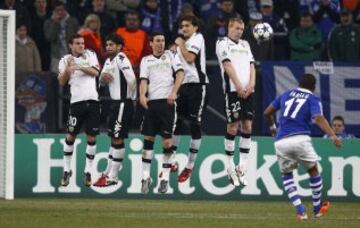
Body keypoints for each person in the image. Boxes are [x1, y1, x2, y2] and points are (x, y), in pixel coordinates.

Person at [263, 73, 342, 221]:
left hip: (281, 141)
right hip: (300, 138)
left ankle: (300, 210)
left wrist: (273, 128)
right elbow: (318, 118)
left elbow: (267, 113)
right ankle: (317, 209)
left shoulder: (286, 94)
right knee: (313, 170)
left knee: (287, 175)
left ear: (299, 84)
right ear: (313, 87)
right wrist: (333, 135)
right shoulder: (312, 98)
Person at [139, 32, 185, 194]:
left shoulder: (171, 56)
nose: (160, 43)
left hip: (167, 103)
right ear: (151, 43)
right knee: (148, 140)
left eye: (163, 40)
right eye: (157, 41)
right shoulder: (146, 60)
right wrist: (142, 95)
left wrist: (174, 92)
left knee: (166, 142)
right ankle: (145, 177)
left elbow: (180, 73)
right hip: (152, 104)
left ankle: (164, 179)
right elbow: (144, 80)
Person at [216, 17, 256, 187]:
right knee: (233, 126)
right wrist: (239, 86)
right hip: (233, 90)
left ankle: (243, 166)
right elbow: (227, 65)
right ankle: (230, 166)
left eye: (241, 29)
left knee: (247, 127)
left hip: (248, 90)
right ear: (229, 27)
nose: (239, 31)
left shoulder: (245, 44)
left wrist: (251, 84)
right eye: (237, 28)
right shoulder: (222, 42)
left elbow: (252, 65)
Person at [92, 34, 137, 187]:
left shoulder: (121, 58)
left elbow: (131, 79)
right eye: (107, 45)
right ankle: (107, 172)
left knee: (117, 138)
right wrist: (102, 77)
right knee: (113, 138)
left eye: (112, 45)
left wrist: (133, 98)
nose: (109, 47)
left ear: (119, 47)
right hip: (114, 104)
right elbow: (101, 82)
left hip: (123, 103)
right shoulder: (108, 61)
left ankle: (113, 176)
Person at [58, 34, 100, 187]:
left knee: (91, 137)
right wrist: (68, 70)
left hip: (93, 101)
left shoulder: (91, 55)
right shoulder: (65, 59)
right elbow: (61, 82)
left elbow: (96, 72)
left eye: (82, 43)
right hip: (76, 103)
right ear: (71, 45)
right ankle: (66, 169)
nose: (81, 46)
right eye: (77, 43)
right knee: (71, 136)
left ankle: (88, 171)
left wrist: (79, 66)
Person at [172, 15, 208, 183]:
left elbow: (190, 58)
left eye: (187, 25)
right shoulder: (181, 44)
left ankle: (190, 166)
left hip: (197, 85)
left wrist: (179, 44)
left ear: (195, 28)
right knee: (177, 121)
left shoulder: (197, 38)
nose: (184, 28)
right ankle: (171, 160)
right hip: (183, 86)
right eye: (182, 26)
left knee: (194, 122)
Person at [44, 2, 79, 73]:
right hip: (56, 56)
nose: (60, 12)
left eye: (62, 10)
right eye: (57, 10)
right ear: (53, 12)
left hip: (71, 55)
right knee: (57, 79)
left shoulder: (73, 21)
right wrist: (55, 22)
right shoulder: (48, 22)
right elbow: (50, 37)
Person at [114, 11, 152, 76]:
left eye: (134, 20)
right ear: (125, 21)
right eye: (129, 20)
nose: (131, 22)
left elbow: (147, 53)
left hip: (137, 69)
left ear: (139, 22)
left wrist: (139, 65)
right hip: (120, 67)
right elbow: (113, 50)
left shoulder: (144, 35)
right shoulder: (118, 32)